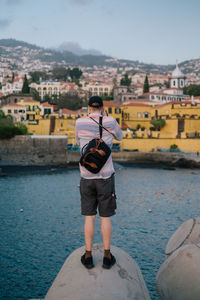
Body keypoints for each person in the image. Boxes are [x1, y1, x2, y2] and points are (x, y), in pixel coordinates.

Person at [75, 96, 123, 269]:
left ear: (88, 107)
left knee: (89, 217)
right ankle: (107, 256)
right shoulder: (110, 121)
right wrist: (107, 118)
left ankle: (88, 256)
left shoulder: (79, 122)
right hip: (105, 177)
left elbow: (78, 143)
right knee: (105, 218)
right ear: (102, 107)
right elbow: (120, 137)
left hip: (86, 177)